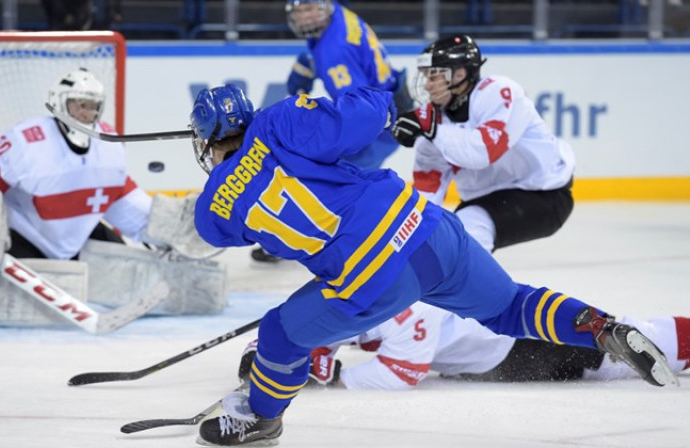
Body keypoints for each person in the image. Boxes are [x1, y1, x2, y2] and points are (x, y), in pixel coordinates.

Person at [187, 84, 677, 446]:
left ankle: (262, 418)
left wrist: (239, 170)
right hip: (426, 227)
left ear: (207, 142)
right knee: (508, 306)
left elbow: (220, 231)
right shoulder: (279, 122)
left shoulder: (213, 206)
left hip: (373, 277)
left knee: (280, 333)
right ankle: (596, 326)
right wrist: (343, 102)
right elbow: (370, 112)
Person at [250, 0, 415, 263]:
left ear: (323, 8)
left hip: (379, 125)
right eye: (300, 11)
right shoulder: (337, 15)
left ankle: (311, 242)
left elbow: (359, 110)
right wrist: (309, 59)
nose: (305, 16)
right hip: (391, 106)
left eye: (310, 9)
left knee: (315, 179)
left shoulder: (333, 51)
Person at [391, 35, 575, 253]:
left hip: (543, 195)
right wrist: (402, 241)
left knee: (468, 230)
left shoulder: (498, 93)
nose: (428, 86)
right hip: (484, 201)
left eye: (433, 76)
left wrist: (432, 131)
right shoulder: (434, 123)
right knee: (450, 237)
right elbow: (428, 189)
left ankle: (474, 285)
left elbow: (483, 152)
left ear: (459, 74)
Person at [238, 302, 690, 389]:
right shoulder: (362, 298)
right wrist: (267, 353)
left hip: (510, 347)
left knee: (609, 353)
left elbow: (402, 374)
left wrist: (339, 378)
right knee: (612, 341)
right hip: (496, 338)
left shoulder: (401, 316)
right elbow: (319, 323)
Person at [0, 68, 152, 260]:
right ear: (59, 103)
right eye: (80, 105)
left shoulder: (109, 145)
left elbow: (119, 196)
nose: (87, 114)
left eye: (93, 106)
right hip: (26, 238)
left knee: (123, 267)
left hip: (74, 240)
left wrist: (158, 227)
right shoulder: (28, 142)